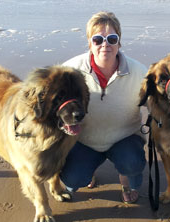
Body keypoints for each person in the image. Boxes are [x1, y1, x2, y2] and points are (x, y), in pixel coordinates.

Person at [60, 11, 147, 204]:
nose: (105, 44)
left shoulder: (140, 72)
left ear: (119, 42)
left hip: (125, 139)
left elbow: (158, 105)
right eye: (98, 39)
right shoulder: (70, 70)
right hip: (84, 141)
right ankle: (88, 170)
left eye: (112, 38)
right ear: (90, 43)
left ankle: (125, 178)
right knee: (71, 180)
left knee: (133, 166)